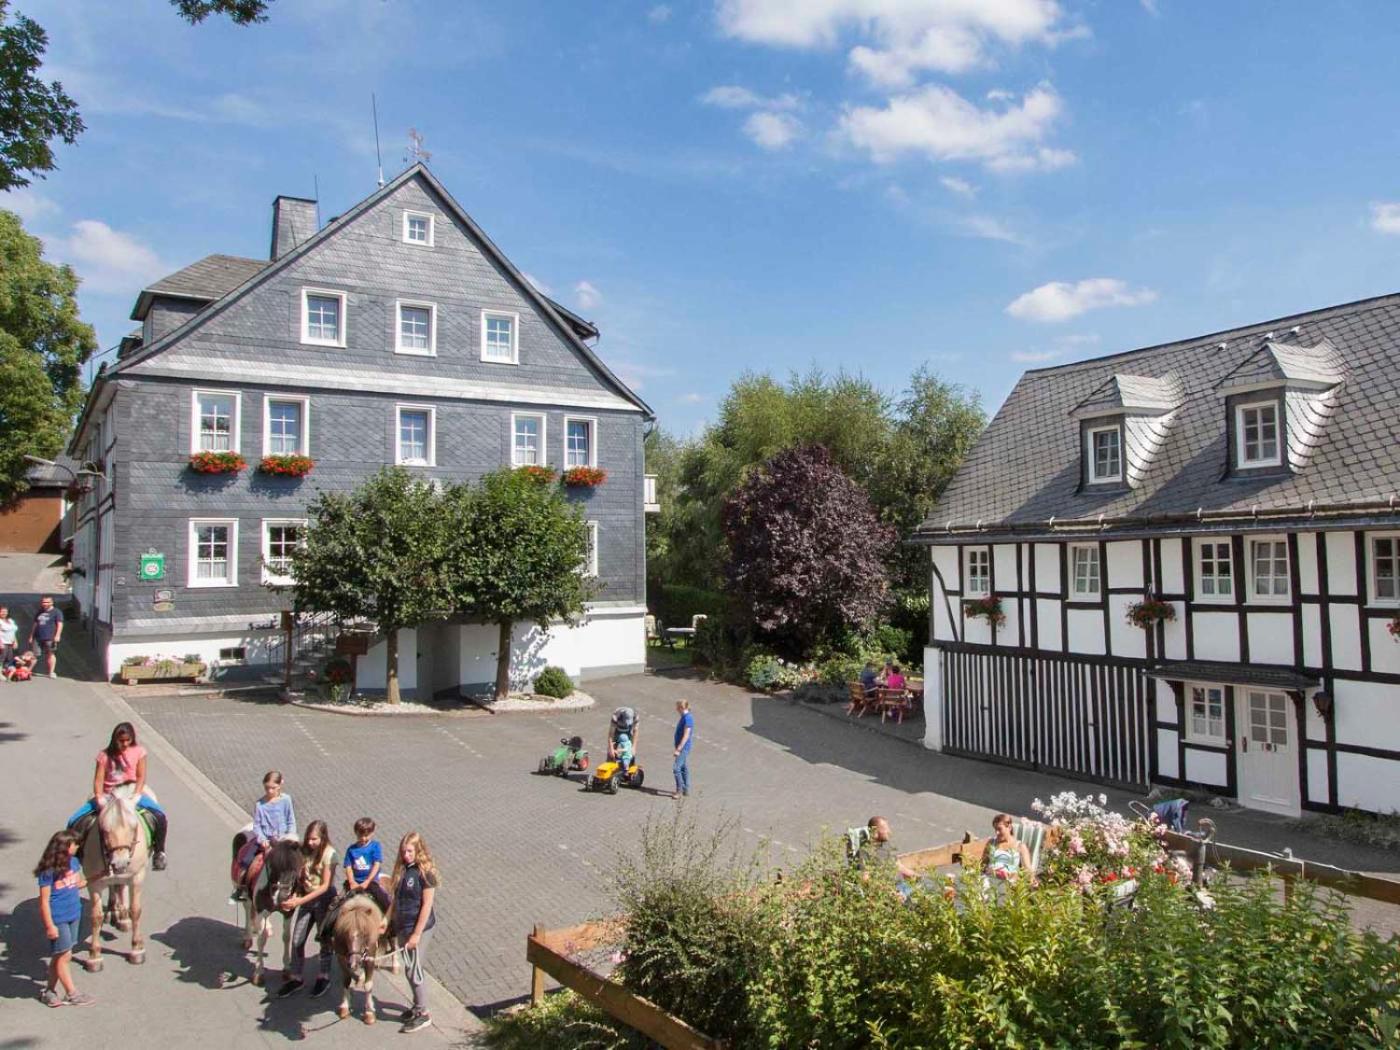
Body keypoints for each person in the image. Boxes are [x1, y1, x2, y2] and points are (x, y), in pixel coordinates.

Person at [67, 722, 169, 871]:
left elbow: (141, 776)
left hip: (131, 792)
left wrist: (137, 794)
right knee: (74, 820)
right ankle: (74, 856)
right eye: (121, 741)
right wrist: (99, 797)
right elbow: (98, 780)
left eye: (128, 740)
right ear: (115, 739)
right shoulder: (104, 756)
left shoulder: (139, 752)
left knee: (160, 816)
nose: (125, 744)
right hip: (110, 795)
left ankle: (159, 852)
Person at [384, 831, 439, 1034]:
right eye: (403, 851)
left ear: (418, 851)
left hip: (420, 928)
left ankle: (423, 1013)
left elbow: (426, 906)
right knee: (410, 967)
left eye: (409, 851)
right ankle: (417, 1005)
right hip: (403, 926)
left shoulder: (425, 873)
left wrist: (416, 934)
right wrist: (386, 919)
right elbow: (395, 899)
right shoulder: (402, 871)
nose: (405, 855)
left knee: (413, 970)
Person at [34, 829, 95, 1007]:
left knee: (60, 955)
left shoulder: (74, 862)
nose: (77, 847)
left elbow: (76, 884)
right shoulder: (48, 871)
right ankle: (72, 993)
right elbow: (44, 901)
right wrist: (50, 926)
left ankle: (49, 992)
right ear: (64, 846)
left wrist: (98, 876)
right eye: (75, 844)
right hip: (58, 918)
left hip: (74, 914)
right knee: (64, 955)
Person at [278, 820, 338, 999]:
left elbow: (325, 886)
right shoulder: (305, 851)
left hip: (323, 901)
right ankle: (296, 977)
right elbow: (300, 876)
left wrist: (299, 901)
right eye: (309, 839)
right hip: (305, 898)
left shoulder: (330, 854)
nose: (310, 843)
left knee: (324, 939)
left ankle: (324, 976)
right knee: (297, 939)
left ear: (323, 838)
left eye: (314, 839)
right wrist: (296, 894)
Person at [232, 771, 297, 898]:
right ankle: (241, 887)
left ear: (280, 784)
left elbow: (291, 820)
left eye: (273, 788)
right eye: (267, 788)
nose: (270, 791)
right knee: (246, 860)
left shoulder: (286, 800)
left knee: (298, 860)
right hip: (266, 840)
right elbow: (257, 826)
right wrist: (262, 840)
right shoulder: (260, 805)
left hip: (284, 840)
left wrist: (290, 836)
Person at [861, 816, 926, 900]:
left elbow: (899, 866)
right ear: (875, 831)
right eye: (885, 829)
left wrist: (915, 876)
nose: (889, 831)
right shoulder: (864, 851)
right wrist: (889, 892)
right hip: (886, 891)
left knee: (928, 886)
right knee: (910, 898)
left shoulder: (886, 845)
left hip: (900, 886)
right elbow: (865, 879)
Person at [343, 817, 392, 912]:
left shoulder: (375, 846)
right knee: (340, 903)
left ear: (372, 833)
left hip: (371, 882)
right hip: (355, 882)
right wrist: (352, 882)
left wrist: (367, 881)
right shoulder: (351, 849)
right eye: (360, 835)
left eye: (366, 835)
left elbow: (376, 864)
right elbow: (348, 867)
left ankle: (391, 916)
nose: (363, 838)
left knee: (384, 900)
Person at [984, 813, 1034, 881]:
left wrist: (1032, 880)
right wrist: (988, 870)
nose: (997, 833)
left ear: (1009, 828)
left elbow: (1028, 869)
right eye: (995, 829)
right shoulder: (991, 842)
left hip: (1009, 881)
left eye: (999, 829)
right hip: (990, 878)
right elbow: (983, 864)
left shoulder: (1020, 846)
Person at [28, 595, 63, 679]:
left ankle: (51, 672)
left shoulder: (56, 612)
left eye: (47, 602)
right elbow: (35, 624)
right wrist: (31, 635)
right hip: (38, 637)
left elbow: (60, 624)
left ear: (52, 602)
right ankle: (28, 671)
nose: (45, 604)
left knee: (50, 654)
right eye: (43, 602)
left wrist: (57, 635)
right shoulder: (39, 611)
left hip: (50, 637)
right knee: (34, 655)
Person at [672, 699, 694, 799]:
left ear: (681, 707)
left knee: (676, 768)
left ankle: (679, 790)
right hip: (681, 747)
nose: (676, 709)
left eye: (677, 707)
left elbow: (686, 735)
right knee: (683, 768)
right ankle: (686, 790)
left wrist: (679, 749)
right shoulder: (684, 717)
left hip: (683, 748)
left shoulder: (688, 718)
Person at [0, 604, 17, 669]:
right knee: (2, 658)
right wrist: (0, 643)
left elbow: (13, 632)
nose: (4, 613)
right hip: (3, 643)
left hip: (10, 643)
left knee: (9, 658)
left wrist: (15, 641)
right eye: (2, 611)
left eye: (5, 611)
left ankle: (5, 671)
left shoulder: (10, 620)